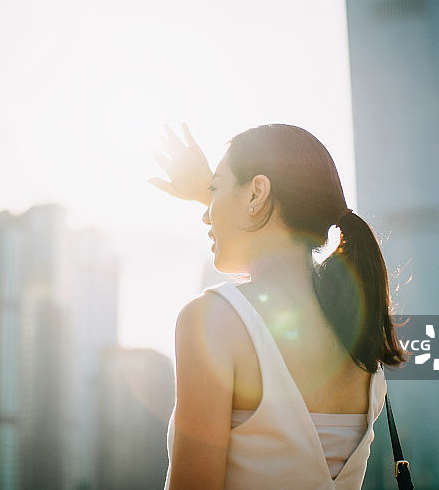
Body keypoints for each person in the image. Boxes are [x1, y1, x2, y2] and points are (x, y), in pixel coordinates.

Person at [150, 123, 407, 490]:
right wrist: (221, 194)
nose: (207, 215)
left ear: (257, 192)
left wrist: (227, 200)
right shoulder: (362, 349)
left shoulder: (212, 322)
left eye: (215, 189)